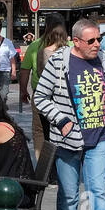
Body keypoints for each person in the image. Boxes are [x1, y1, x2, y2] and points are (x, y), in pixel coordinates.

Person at [33, 18, 105, 210]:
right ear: (76, 41)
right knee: (70, 195)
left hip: (99, 137)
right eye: (91, 41)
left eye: (99, 39)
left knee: (98, 192)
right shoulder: (59, 62)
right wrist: (60, 119)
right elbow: (40, 96)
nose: (97, 44)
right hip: (67, 140)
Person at [30, 22, 68, 158]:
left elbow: (40, 73)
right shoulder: (69, 53)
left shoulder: (43, 52)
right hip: (63, 97)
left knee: (40, 131)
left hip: (43, 95)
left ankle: (42, 163)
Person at [0, 23, 19, 104]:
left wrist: (13, 71)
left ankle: (1, 111)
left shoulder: (7, 42)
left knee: (3, 94)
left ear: (1, 29)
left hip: (5, 71)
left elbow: (12, 57)